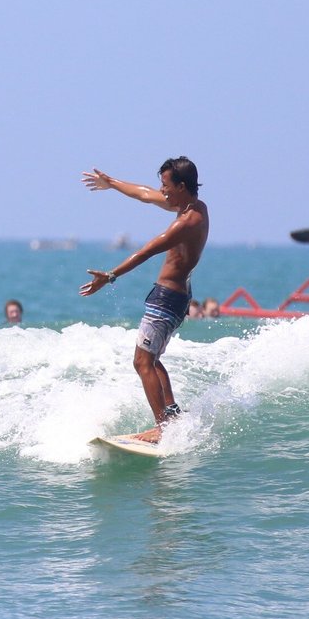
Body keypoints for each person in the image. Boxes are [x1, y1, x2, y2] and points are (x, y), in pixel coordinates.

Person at [79, 158, 210, 443]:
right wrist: (112, 183)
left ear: (182, 186)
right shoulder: (193, 207)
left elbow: (146, 251)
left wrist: (110, 276)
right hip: (176, 297)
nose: (162, 191)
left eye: (166, 186)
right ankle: (172, 414)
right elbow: (144, 194)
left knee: (142, 362)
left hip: (166, 300)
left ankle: (162, 428)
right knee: (152, 358)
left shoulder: (189, 221)